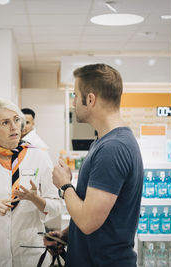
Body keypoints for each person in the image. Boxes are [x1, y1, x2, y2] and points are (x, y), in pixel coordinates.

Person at [46, 64, 144, 266]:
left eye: (75, 95)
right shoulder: (104, 142)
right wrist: (66, 235)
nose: (73, 103)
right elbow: (98, 212)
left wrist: (64, 186)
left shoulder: (113, 148)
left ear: (90, 99)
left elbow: (89, 222)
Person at [0, 99, 63, 267]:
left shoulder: (39, 157)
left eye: (16, 120)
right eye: (5, 122)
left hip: (30, 252)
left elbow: (57, 206)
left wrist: (36, 199)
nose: (14, 127)